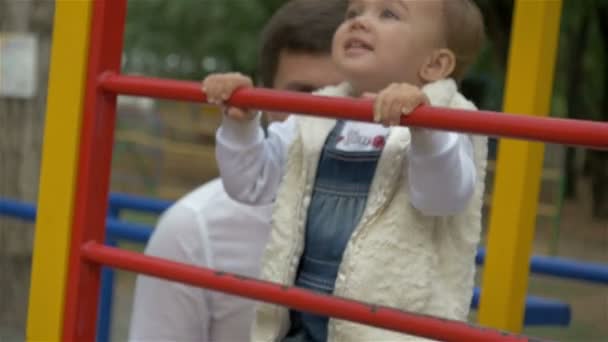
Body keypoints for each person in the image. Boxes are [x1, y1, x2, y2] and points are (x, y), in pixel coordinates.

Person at [203, 0, 487, 341]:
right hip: (300, 313)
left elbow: (442, 198)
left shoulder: (448, 119)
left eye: (388, 14)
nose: (360, 22)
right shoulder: (316, 113)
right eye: (354, 13)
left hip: (383, 324)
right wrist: (241, 124)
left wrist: (423, 128)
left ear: (435, 63)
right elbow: (250, 185)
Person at [128, 1, 345, 341]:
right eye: (305, 98)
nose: (322, 118)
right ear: (263, 98)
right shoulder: (192, 230)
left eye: (349, 98)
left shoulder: (406, 217)